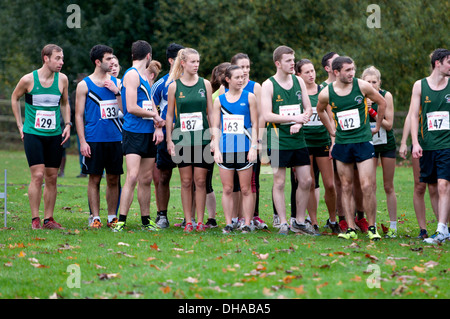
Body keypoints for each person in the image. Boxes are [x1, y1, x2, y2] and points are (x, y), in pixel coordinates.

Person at [317, 56, 386, 240]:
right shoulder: (326, 93)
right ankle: (350, 228)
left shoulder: (361, 86)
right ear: (336, 72)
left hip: (363, 141)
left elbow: (382, 102)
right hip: (342, 143)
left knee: (366, 186)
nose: (351, 73)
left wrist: (377, 127)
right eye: (347, 70)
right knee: (345, 186)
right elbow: (320, 110)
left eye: (353, 69)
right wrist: (331, 131)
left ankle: (372, 228)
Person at [11, 44, 71, 229]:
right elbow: (14, 98)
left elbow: (65, 102)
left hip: (54, 135)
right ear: (46, 58)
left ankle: (48, 219)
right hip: (33, 134)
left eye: (62, 58)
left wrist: (68, 124)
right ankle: (35, 219)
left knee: (52, 177)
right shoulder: (28, 80)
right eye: (57, 58)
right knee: (37, 175)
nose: (61, 62)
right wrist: (20, 125)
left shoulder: (62, 80)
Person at [260, 45, 315, 235]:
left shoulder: (299, 81)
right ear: (278, 63)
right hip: (276, 138)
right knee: (280, 182)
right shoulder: (268, 85)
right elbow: (267, 115)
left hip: (297, 138)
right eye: (288, 61)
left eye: (293, 60)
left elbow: (308, 109)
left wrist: (299, 123)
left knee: (306, 180)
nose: (293, 63)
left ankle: (299, 220)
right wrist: (293, 119)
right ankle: (283, 222)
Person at [112, 40, 165, 232]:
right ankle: (121, 220)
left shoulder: (144, 77)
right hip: (133, 132)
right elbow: (131, 107)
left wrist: (157, 125)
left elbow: (150, 103)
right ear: (148, 56)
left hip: (148, 133)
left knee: (146, 179)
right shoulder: (132, 75)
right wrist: (155, 116)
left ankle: (145, 220)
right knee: (132, 176)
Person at [165, 48, 214, 232]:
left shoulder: (205, 84)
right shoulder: (174, 86)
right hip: (182, 139)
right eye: (193, 62)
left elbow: (210, 112)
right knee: (185, 182)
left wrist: (214, 137)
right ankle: (188, 221)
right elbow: (169, 116)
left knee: (200, 181)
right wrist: (169, 140)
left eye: (198, 62)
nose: (196, 65)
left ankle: (200, 221)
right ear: (183, 63)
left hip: (203, 139)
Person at [75, 44, 123, 229]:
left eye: (113, 58)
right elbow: (79, 115)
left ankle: (112, 217)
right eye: (108, 59)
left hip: (115, 139)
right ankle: (95, 217)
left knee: (113, 179)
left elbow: (124, 110)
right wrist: (82, 141)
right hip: (94, 139)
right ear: (98, 62)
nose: (112, 62)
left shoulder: (117, 83)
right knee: (94, 178)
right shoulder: (83, 85)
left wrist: (116, 91)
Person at [410, 48, 450, 244]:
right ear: (438, 63)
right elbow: (412, 116)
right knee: (433, 187)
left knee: (444, 185)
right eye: (449, 62)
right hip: (427, 145)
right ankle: (444, 228)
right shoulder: (419, 85)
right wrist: (415, 142)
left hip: (447, 145)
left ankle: (441, 230)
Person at [212, 65, 258, 233]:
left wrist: (254, 147)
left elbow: (255, 124)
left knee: (246, 189)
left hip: (245, 150)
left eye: (243, 77)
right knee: (227, 189)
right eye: (237, 77)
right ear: (228, 79)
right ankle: (229, 223)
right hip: (226, 150)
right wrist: (216, 149)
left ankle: (246, 223)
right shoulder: (219, 100)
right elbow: (216, 127)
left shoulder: (250, 97)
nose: (241, 80)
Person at [296, 59, 338, 234]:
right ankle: (313, 222)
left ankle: (333, 220)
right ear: (298, 75)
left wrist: (333, 139)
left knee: (329, 184)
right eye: (306, 72)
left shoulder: (323, 91)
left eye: (312, 71)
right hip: (304, 143)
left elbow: (330, 116)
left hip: (322, 142)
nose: (311, 75)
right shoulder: (297, 93)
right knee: (310, 183)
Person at [229, 53, 267, 230]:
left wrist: (257, 140)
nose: (245, 71)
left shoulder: (255, 87)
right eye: (241, 67)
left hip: (252, 140)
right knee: (234, 183)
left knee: (253, 180)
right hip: (231, 141)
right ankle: (236, 217)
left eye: (247, 67)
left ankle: (253, 216)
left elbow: (260, 116)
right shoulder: (226, 89)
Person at [361, 65, 398, 238]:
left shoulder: (386, 96)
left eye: (374, 82)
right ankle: (372, 225)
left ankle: (393, 226)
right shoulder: (358, 96)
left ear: (379, 82)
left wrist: (372, 110)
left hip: (386, 143)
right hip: (368, 144)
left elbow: (389, 125)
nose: (371, 85)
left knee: (388, 185)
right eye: (367, 81)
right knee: (370, 185)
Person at [151, 43, 185, 228]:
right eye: (182, 58)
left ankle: (190, 218)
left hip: (189, 137)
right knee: (164, 176)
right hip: (167, 137)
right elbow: (151, 108)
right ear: (172, 60)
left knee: (189, 179)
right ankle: (162, 215)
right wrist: (158, 126)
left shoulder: (196, 82)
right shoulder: (160, 84)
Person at [399, 112, 439, 239]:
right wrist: (404, 142)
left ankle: (442, 227)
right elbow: (410, 116)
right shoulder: (418, 93)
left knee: (437, 187)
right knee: (420, 186)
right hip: (420, 143)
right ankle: (423, 229)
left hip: (440, 143)